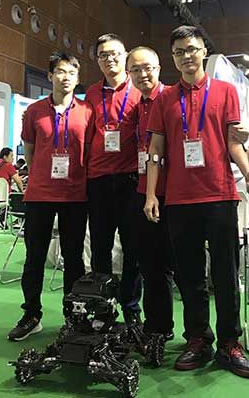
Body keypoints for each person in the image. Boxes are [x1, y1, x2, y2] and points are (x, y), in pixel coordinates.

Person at [144, 25, 249, 379]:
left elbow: (233, 141)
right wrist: (151, 193)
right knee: (189, 275)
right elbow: (155, 149)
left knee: (225, 273)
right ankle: (197, 339)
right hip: (180, 199)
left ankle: (229, 343)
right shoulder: (164, 99)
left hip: (220, 195)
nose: (186, 56)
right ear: (173, 58)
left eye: (192, 49)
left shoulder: (225, 92)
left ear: (204, 52)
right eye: (179, 52)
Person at [8, 51, 94, 341]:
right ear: (50, 76)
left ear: (78, 79)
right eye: (60, 71)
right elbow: (30, 150)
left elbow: (89, 153)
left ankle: (73, 317)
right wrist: (39, 177)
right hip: (40, 196)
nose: (65, 77)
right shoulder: (34, 111)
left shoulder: (87, 111)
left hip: (75, 196)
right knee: (34, 258)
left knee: (74, 259)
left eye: (71, 72)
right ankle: (32, 315)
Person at [85, 34, 142, 325]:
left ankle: (131, 308)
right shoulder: (91, 93)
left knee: (133, 248)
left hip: (130, 180)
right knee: (100, 248)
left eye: (115, 53)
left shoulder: (139, 89)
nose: (110, 59)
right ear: (98, 61)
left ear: (126, 55)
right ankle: (102, 308)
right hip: (98, 180)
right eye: (103, 55)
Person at [126, 46, 174, 343]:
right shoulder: (137, 106)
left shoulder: (171, 99)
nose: (142, 74)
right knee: (150, 264)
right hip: (145, 192)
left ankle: (197, 335)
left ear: (158, 68)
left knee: (178, 266)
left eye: (148, 68)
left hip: (175, 194)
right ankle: (158, 327)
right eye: (136, 69)